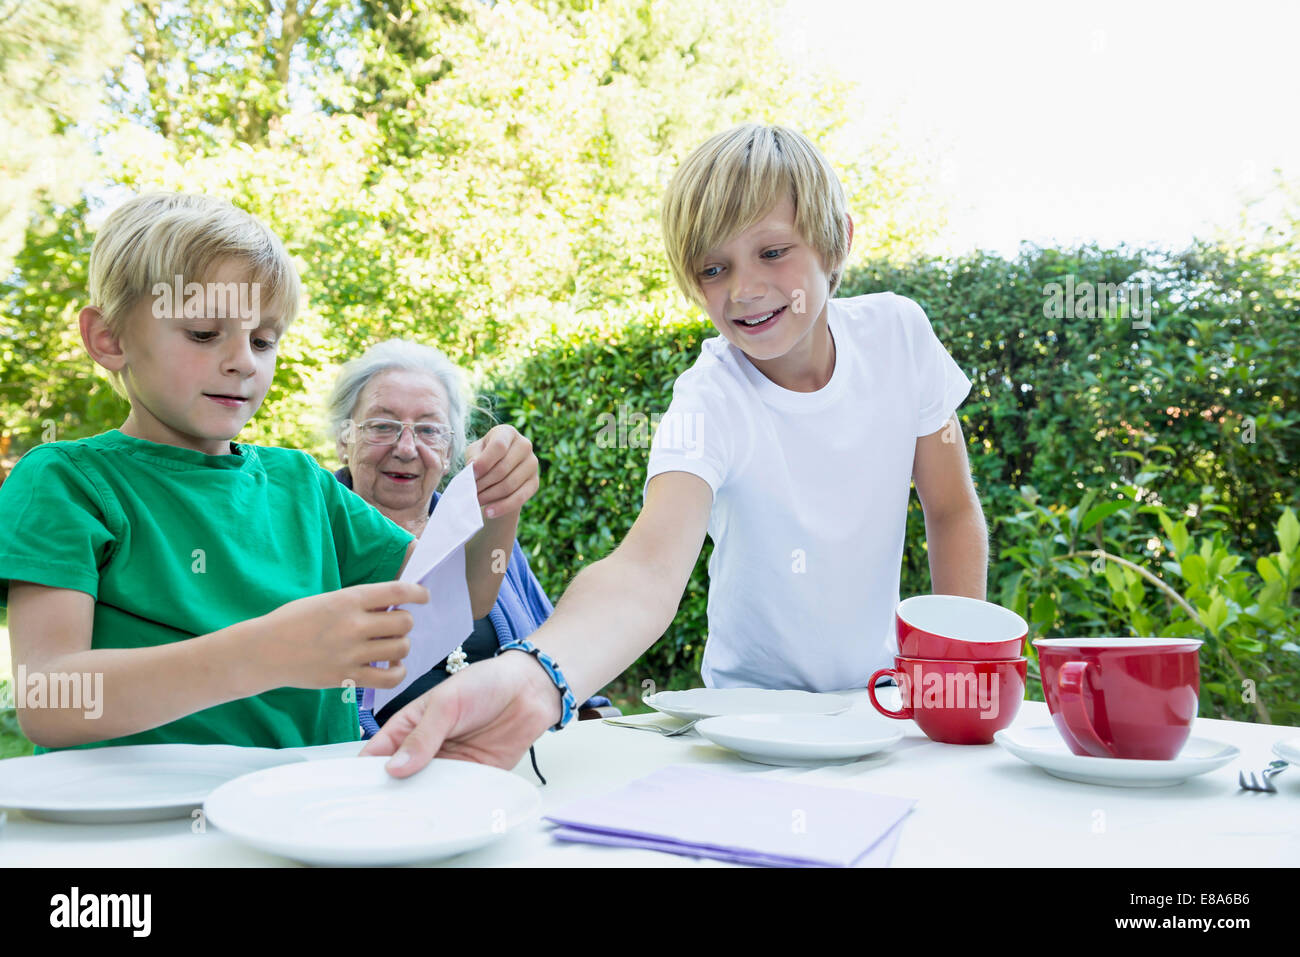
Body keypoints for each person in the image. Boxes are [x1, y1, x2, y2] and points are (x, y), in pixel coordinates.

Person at [363, 123, 989, 776]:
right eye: (714, 268)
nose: (743, 289)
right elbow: (644, 574)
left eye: (773, 252)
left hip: (878, 705)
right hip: (750, 722)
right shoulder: (707, 400)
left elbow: (950, 509)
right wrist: (532, 675)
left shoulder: (900, 335)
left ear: (839, 245)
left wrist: (959, 664)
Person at [0, 193, 531, 751]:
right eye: (204, 333)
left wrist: (495, 502)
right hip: (136, 826)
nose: (243, 361)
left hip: (305, 811)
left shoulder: (303, 485)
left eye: (263, 340)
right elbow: (47, 700)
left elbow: (458, 598)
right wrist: (262, 654)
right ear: (109, 339)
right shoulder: (67, 480)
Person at [325, 339, 603, 734]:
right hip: (375, 771)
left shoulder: (483, 534)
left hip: (506, 766)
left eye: (428, 430)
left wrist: (590, 713)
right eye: (382, 426)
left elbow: (555, 654)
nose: (406, 448)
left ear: (450, 447)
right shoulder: (314, 538)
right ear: (344, 439)